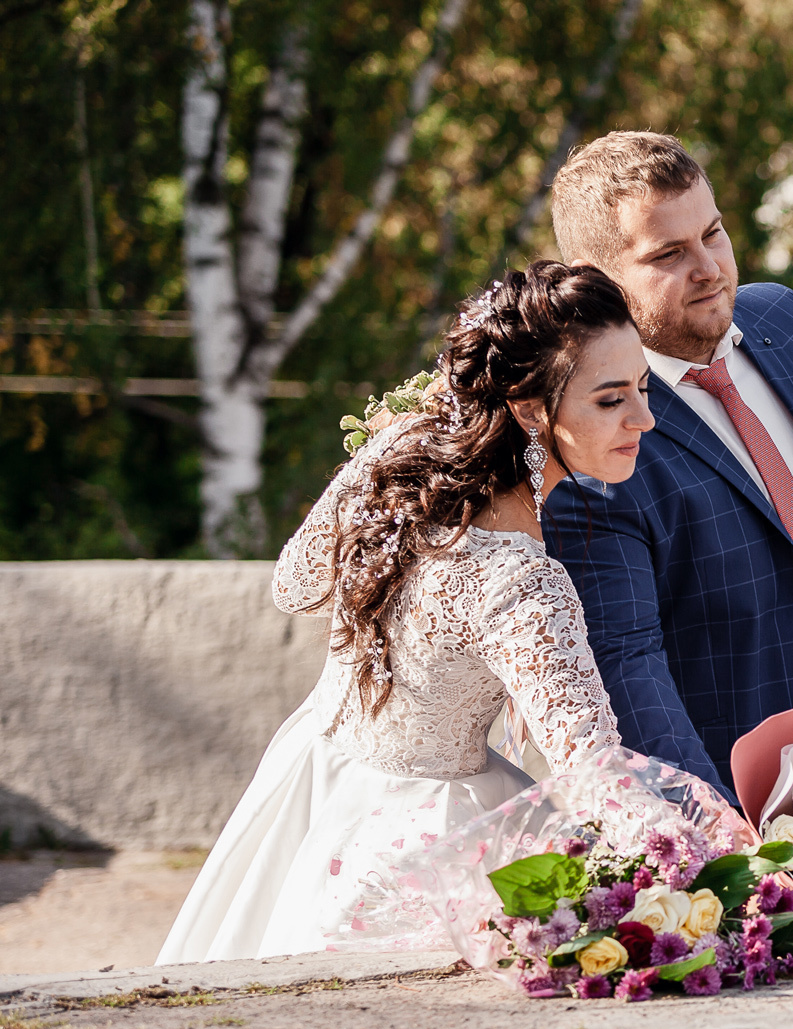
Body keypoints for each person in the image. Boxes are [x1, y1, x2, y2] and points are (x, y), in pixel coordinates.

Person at [157, 262, 653, 963]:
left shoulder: (401, 454)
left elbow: (296, 584)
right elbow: (595, 774)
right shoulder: (521, 582)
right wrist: (722, 875)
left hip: (315, 777)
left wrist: (381, 452)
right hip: (421, 845)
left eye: (642, 387)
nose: (644, 417)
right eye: (611, 400)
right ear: (533, 409)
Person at [541, 131, 793, 798]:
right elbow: (629, 667)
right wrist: (725, 851)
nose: (708, 266)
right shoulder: (598, 442)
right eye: (669, 253)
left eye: (714, 233)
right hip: (756, 815)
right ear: (598, 282)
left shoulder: (788, 321)